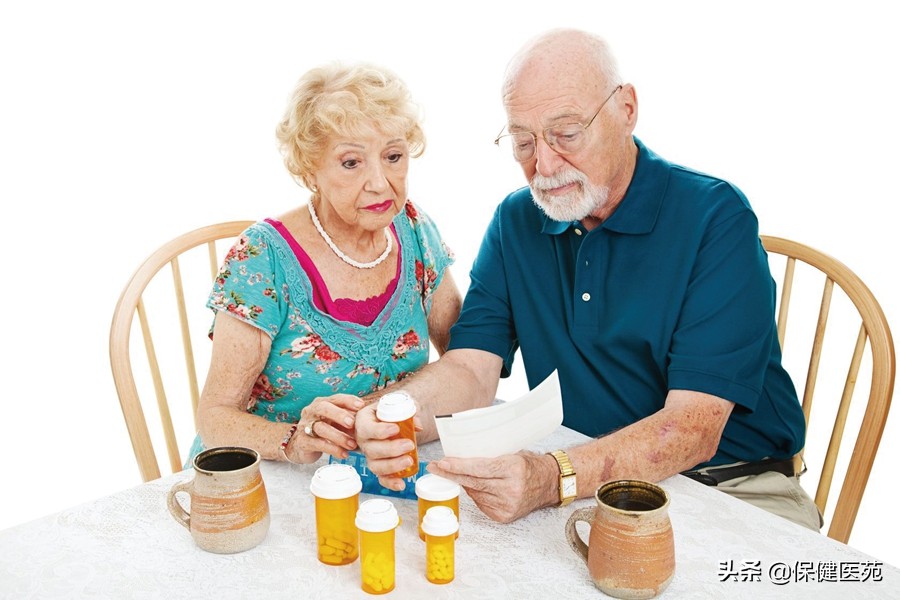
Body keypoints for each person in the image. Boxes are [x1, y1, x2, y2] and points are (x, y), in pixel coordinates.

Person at [349, 28, 821, 531]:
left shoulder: (714, 217)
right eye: (524, 142)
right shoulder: (516, 221)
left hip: (732, 485)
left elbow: (692, 430)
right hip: (589, 479)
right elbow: (470, 369)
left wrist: (554, 477)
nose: (544, 165)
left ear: (626, 109)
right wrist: (387, 416)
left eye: (566, 134)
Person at [188, 62, 461, 465]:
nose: (380, 182)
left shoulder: (415, 229)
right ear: (309, 169)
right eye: (351, 162)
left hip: (384, 471)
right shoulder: (262, 258)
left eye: (393, 156)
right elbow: (214, 419)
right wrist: (295, 440)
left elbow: (467, 356)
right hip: (275, 479)